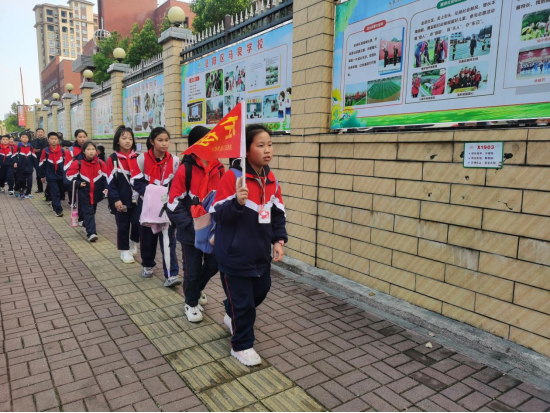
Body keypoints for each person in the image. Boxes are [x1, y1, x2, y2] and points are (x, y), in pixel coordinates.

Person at [212, 124, 288, 367]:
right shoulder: (233, 177)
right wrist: (236, 202)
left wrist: (278, 240)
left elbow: (278, 213)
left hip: (259, 253)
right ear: (246, 150)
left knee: (261, 290)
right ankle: (241, 345)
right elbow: (217, 214)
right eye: (261, 145)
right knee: (244, 303)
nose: (268, 150)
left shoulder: (271, 179)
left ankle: (231, 311)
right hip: (234, 254)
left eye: (270, 145)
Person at [167, 126, 226, 323]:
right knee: (192, 271)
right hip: (190, 232)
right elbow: (173, 203)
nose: (211, 144)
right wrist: (192, 225)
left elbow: (222, 199)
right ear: (195, 144)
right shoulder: (186, 169)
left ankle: (196, 289)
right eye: (206, 140)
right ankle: (190, 303)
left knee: (213, 264)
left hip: (212, 231)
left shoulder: (220, 168)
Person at [131, 127, 181, 287]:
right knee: (147, 238)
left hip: (167, 206)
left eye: (167, 140)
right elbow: (135, 182)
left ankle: (171, 274)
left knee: (169, 240)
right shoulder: (141, 159)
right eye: (160, 140)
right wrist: (155, 192)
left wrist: (170, 196)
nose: (164, 143)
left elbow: (178, 183)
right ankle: (147, 264)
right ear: (152, 141)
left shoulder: (175, 160)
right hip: (148, 205)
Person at [107, 126, 141, 264]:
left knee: (138, 223)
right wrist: (116, 199)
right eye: (124, 138)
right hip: (121, 199)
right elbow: (110, 183)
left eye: (130, 139)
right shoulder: (112, 159)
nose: (128, 141)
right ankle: (124, 251)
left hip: (137, 199)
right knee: (123, 225)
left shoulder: (138, 158)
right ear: (117, 141)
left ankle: (133, 241)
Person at [66, 141, 108, 243]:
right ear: (84, 151)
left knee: (92, 211)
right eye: (88, 149)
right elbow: (69, 176)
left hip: (97, 194)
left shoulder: (100, 163)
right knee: (89, 212)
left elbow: (106, 177)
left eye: (93, 149)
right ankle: (92, 233)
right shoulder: (77, 163)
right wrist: (78, 183)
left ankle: (85, 224)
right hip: (84, 193)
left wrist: (106, 188)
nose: (91, 151)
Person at [38, 132, 65, 217]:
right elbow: (42, 163)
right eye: (51, 139)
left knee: (60, 192)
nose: (53, 141)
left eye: (55, 139)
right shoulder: (45, 151)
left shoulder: (62, 151)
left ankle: (54, 205)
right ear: (48, 140)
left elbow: (67, 163)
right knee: (55, 192)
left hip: (61, 175)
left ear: (58, 140)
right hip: (50, 175)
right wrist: (41, 175)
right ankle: (58, 210)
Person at [13, 132, 38, 199]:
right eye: (23, 137)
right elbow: (13, 156)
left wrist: (37, 168)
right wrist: (15, 162)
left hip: (29, 168)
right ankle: (18, 190)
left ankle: (28, 193)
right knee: (21, 181)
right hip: (20, 168)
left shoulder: (31, 147)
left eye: (26, 137)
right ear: (20, 138)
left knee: (30, 181)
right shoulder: (17, 147)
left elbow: (34, 158)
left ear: (28, 139)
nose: (25, 138)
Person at [31, 128, 47, 193]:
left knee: (48, 174)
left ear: (44, 133)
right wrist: (34, 150)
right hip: (37, 159)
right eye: (38, 132)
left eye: (41, 132)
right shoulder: (33, 142)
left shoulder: (47, 141)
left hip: (46, 159)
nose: (40, 133)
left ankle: (48, 189)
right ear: (36, 133)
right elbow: (30, 150)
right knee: (38, 174)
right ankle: (40, 188)